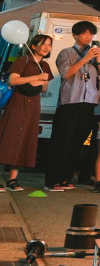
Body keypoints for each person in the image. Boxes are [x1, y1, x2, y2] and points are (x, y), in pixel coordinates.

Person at [48, 21, 100, 190]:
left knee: (77, 144)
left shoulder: (96, 54)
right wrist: (85, 59)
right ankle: (52, 180)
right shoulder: (66, 52)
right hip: (70, 104)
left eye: (91, 34)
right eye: (85, 33)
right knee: (62, 142)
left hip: (89, 104)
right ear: (75, 35)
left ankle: (66, 178)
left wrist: (98, 59)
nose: (89, 37)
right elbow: (66, 73)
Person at [0, 34, 53, 189]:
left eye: (49, 44)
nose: (46, 47)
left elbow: (44, 89)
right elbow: (13, 80)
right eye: (43, 44)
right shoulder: (24, 60)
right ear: (34, 46)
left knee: (24, 139)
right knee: (8, 137)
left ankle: (13, 179)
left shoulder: (45, 65)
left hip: (34, 104)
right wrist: (35, 77)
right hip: (18, 101)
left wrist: (42, 82)